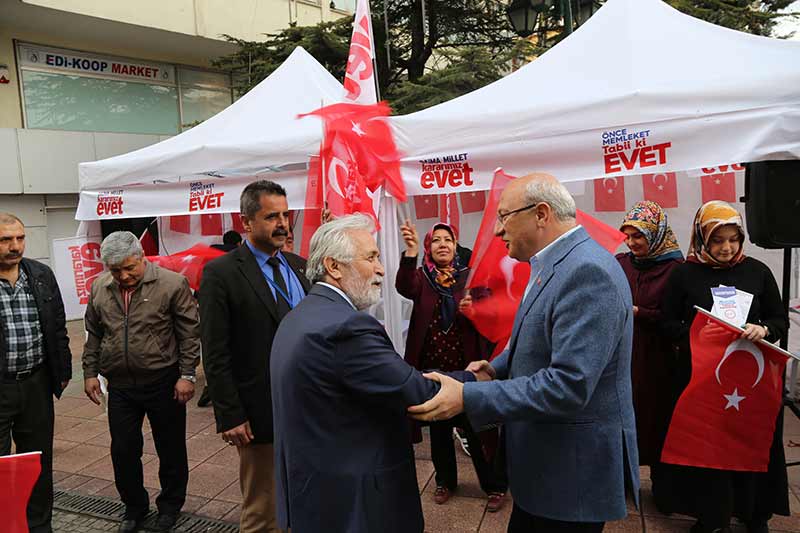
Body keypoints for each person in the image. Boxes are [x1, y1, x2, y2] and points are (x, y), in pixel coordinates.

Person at [408, 173, 640, 533]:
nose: (498, 231)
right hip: (547, 467)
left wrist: (469, 395)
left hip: (570, 476)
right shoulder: (553, 263)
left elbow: (568, 385)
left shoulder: (587, 272)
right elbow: (533, 338)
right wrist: (495, 368)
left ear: (541, 214)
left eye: (504, 216)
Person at [270, 214, 480, 533]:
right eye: (371, 257)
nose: (381, 268)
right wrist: (482, 380)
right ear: (334, 266)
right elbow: (416, 392)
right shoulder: (347, 327)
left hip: (316, 495)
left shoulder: (299, 316)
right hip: (356, 505)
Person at [658, 201, 789, 533]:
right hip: (703, 380)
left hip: (749, 382)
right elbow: (666, 322)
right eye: (717, 240)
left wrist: (765, 329)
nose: (726, 248)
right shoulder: (684, 273)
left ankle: (754, 513)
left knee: (750, 442)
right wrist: (697, 332)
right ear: (702, 238)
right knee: (709, 450)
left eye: (733, 239)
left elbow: (780, 319)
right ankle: (711, 516)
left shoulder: (758, 271)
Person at [199, 180, 310, 533]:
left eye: (285, 215)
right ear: (246, 222)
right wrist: (230, 414)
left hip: (310, 407)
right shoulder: (222, 273)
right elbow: (215, 351)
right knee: (264, 511)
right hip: (261, 412)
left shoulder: (300, 266)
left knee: (306, 498)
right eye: (271, 216)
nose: (282, 223)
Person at [82, 231, 200, 533]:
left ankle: (170, 507)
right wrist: (89, 372)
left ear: (142, 257)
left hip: (163, 381)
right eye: (115, 269)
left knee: (170, 448)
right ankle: (134, 507)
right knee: (123, 449)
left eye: (129, 267)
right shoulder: (100, 287)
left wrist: (187, 375)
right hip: (120, 385)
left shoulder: (172, 284)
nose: (123, 275)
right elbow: (93, 333)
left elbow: (189, 334)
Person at [396, 220, 506, 510]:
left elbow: (492, 313)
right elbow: (403, 286)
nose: (442, 244)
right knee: (439, 430)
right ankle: (445, 481)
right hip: (432, 369)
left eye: (448, 240)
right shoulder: (421, 278)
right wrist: (409, 252)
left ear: (456, 246)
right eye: (436, 240)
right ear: (428, 248)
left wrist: (476, 312)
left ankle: (494, 486)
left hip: (466, 370)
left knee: (478, 428)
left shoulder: (471, 277)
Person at [0, 213, 71, 533]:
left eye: (20, 238)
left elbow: (57, 326)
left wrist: (63, 369)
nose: (15, 246)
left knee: (37, 462)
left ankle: (39, 526)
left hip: (36, 383)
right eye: (5, 240)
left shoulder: (40, 274)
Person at [615, 201, 683, 495]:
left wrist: (640, 312)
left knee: (659, 418)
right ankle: (623, 480)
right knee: (625, 414)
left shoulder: (677, 269)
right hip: (625, 354)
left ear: (656, 233)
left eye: (638, 236)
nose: (631, 243)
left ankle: (664, 487)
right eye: (628, 236)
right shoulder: (621, 262)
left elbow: (679, 316)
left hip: (660, 357)